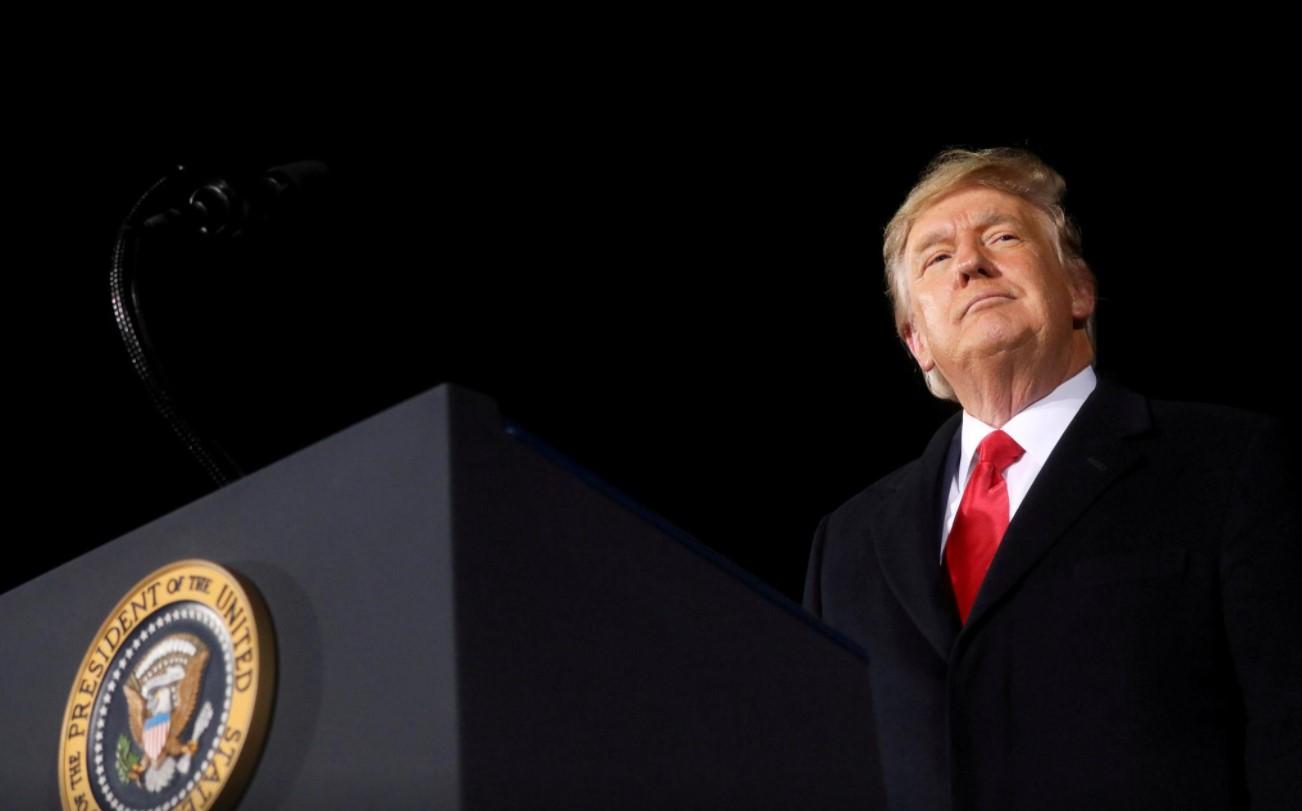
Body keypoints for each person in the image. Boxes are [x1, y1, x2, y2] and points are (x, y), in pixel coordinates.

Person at [802, 147, 1301, 810]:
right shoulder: (847, 543)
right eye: (936, 257)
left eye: (1002, 237)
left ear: (1078, 290)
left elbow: (1287, 732)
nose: (971, 263)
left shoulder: (1226, 462)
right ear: (916, 340)